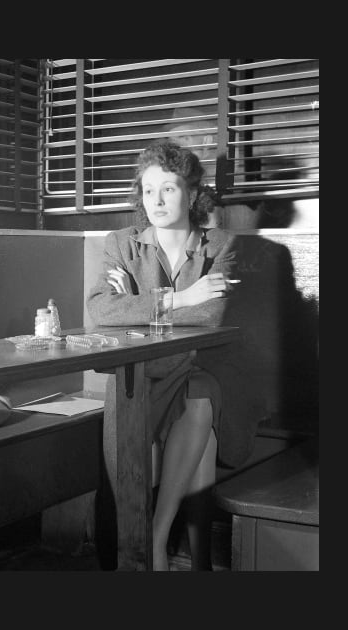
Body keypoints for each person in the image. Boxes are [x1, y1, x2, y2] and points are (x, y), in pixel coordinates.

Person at [86, 141, 262, 571]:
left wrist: (141, 305)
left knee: (200, 393)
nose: (157, 200)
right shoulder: (122, 244)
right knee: (153, 409)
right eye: (149, 191)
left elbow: (214, 312)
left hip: (199, 365)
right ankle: (153, 544)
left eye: (168, 188)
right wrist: (181, 298)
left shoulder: (221, 244)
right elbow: (101, 310)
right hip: (138, 373)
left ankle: (157, 540)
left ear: (192, 193)